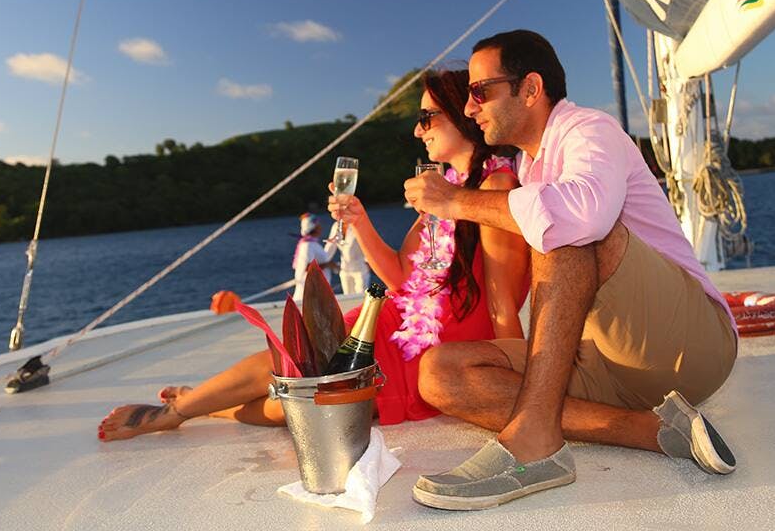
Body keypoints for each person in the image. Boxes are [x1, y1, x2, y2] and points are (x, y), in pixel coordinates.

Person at [96, 68, 531, 441]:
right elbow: (401, 279)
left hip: (439, 351)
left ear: (462, 115)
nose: (418, 130)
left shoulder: (494, 189)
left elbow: (502, 300)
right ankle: (176, 413)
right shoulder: (442, 193)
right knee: (290, 362)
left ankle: (199, 406)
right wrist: (359, 221)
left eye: (426, 117)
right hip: (396, 327)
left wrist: (512, 383)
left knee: (299, 410)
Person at [403, 30, 739, 511]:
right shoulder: (528, 165)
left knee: (566, 226)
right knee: (439, 374)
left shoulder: (589, 129)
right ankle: (651, 430)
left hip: (691, 344)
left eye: (480, 91)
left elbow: (582, 217)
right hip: (612, 364)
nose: (471, 107)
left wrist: (456, 201)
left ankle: (536, 442)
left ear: (531, 88)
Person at [291, 213, 336, 301]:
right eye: (318, 225)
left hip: (317, 290)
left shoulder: (312, 244)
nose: (321, 227)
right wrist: (328, 265)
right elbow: (308, 268)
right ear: (313, 227)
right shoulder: (307, 245)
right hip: (310, 291)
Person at [325, 219, 368, 294]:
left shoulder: (358, 224)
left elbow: (368, 245)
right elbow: (330, 247)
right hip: (344, 270)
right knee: (348, 297)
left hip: (360, 270)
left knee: (361, 298)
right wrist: (320, 261)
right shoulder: (336, 226)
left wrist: (368, 264)